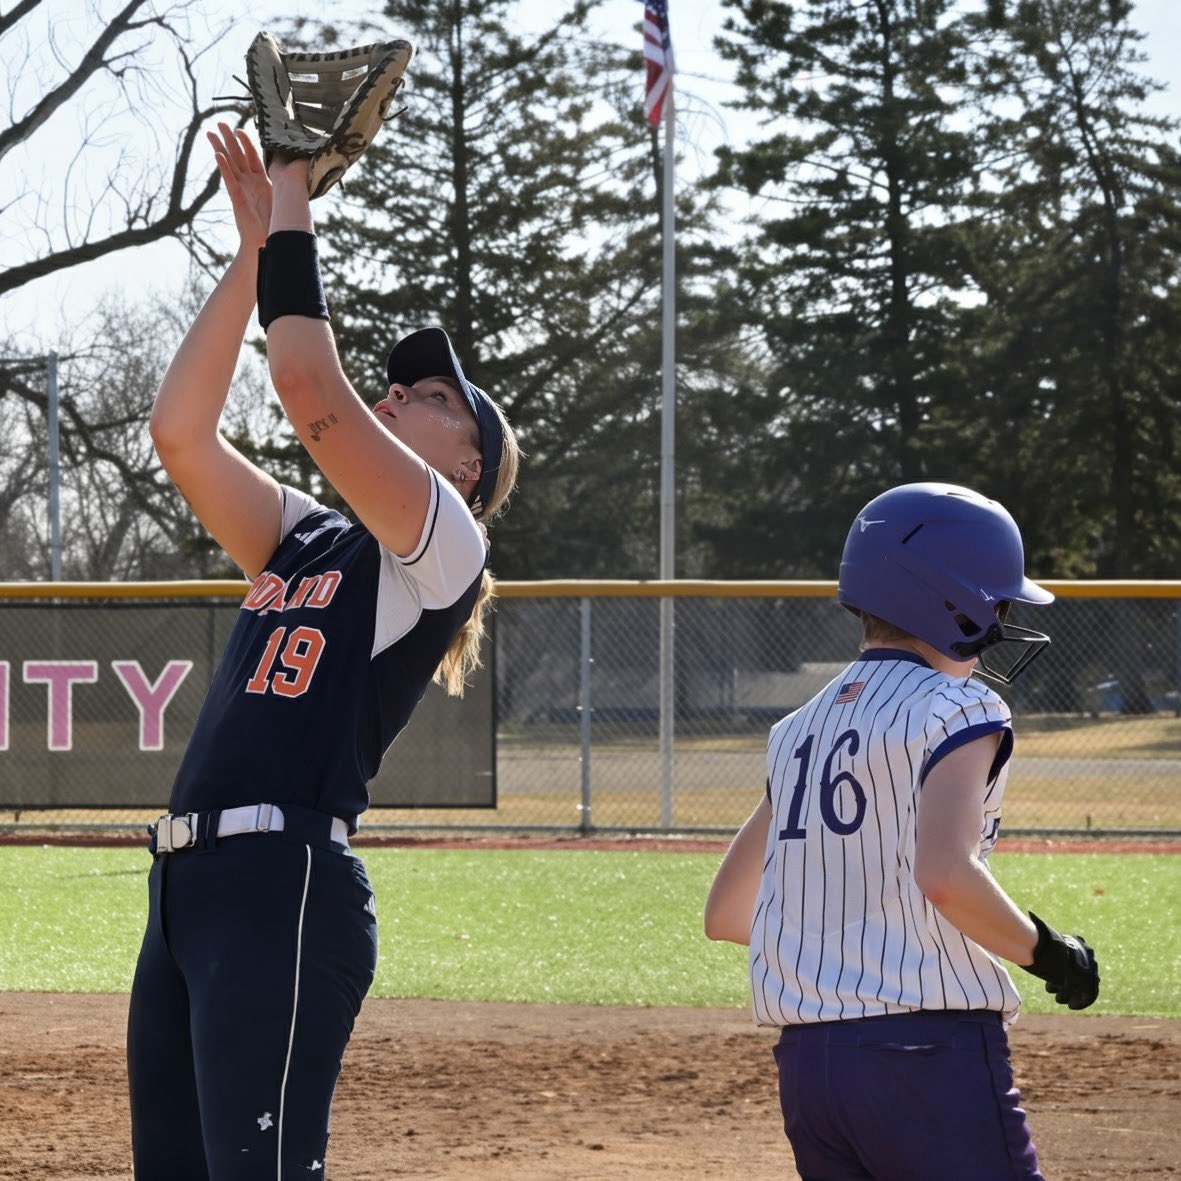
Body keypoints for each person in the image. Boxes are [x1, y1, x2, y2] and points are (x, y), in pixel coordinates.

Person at [126, 123, 519, 1179]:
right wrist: (255, 250)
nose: (394, 394)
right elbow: (180, 431)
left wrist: (294, 190)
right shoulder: (308, 532)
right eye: (400, 386)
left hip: (282, 881)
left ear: (470, 465)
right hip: (187, 887)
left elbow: (305, 386)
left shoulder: (445, 544)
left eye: (429, 398)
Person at [704, 482, 1099, 1181]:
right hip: (928, 1058)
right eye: (996, 600)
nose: (1001, 617)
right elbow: (945, 873)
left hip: (809, 1072)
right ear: (953, 601)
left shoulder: (796, 731)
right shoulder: (959, 707)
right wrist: (1049, 953)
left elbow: (728, 913)